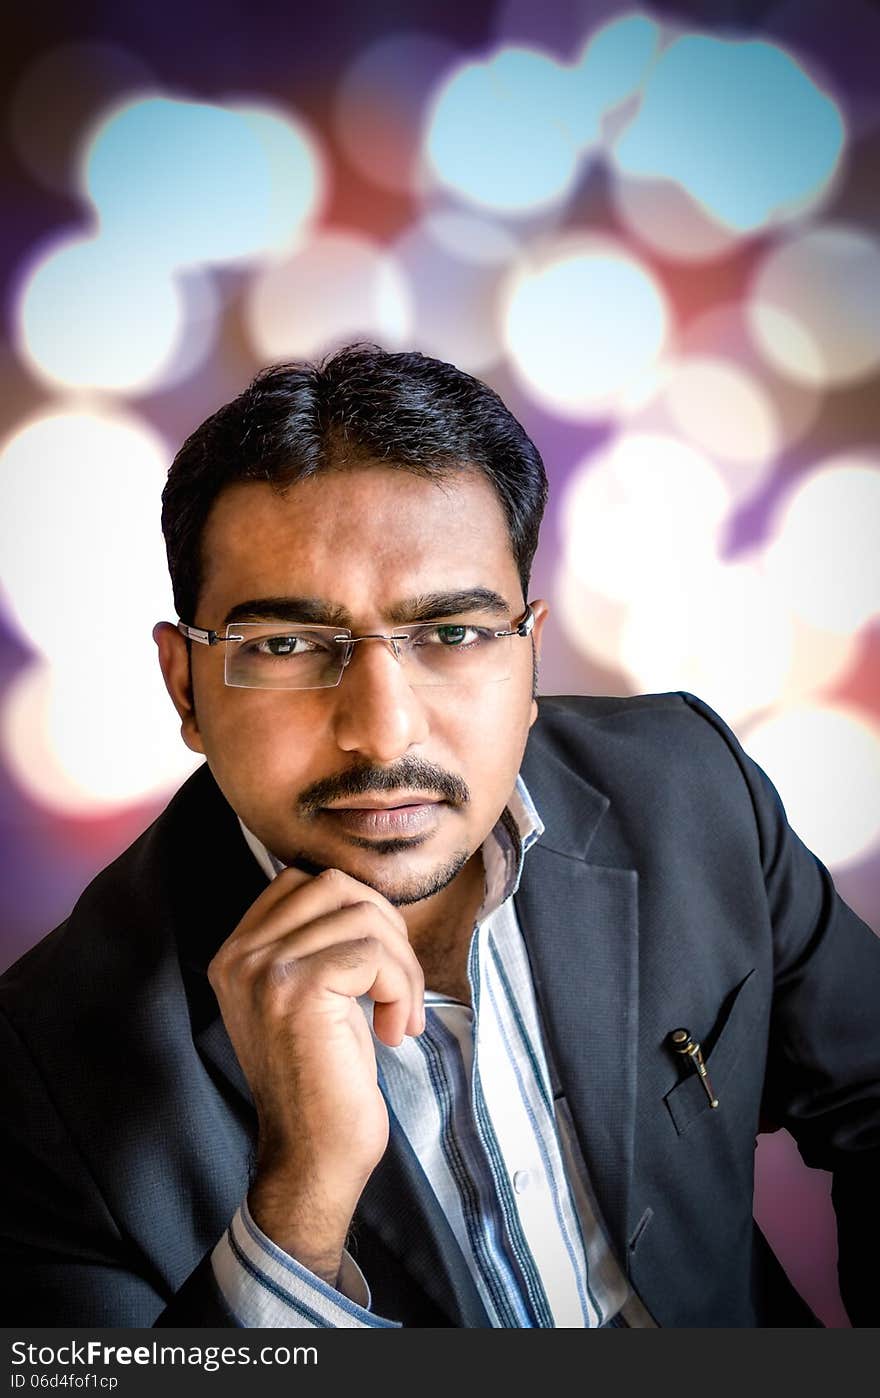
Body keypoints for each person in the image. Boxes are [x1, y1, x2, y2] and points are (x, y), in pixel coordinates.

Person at [1, 344, 878, 1329]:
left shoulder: (689, 792)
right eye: (286, 647)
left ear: (529, 655)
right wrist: (298, 1207)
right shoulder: (34, 1072)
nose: (382, 730)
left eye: (452, 635)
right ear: (184, 688)